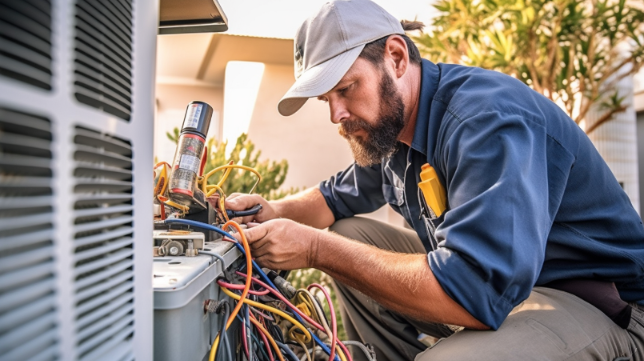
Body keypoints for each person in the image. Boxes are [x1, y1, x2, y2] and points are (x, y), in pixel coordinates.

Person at [225, 0, 644, 359]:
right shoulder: (392, 131)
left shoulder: (484, 121)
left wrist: (315, 249)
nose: (336, 114)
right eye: (326, 100)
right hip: (510, 292)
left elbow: (476, 291)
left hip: (602, 306)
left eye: (347, 89)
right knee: (349, 230)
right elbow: (332, 200)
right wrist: (273, 212)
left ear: (396, 57)